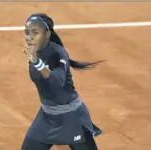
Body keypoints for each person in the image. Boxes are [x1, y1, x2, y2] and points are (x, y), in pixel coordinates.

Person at [22, 13, 104, 150]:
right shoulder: (36, 53)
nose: (29, 37)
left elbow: (57, 82)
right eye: (27, 33)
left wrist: (37, 62)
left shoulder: (58, 53)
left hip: (71, 117)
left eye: (35, 33)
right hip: (47, 117)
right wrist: (36, 60)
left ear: (47, 35)